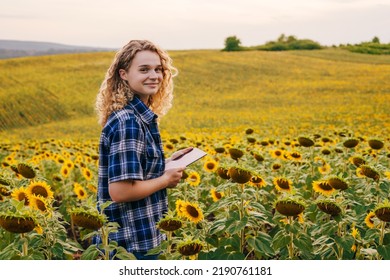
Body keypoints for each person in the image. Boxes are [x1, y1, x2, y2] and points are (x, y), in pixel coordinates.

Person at [94, 39, 191, 260]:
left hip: (139, 238)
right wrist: (165, 179)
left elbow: (133, 174)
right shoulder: (129, 121)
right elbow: (121, 191)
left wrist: (165, 165)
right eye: (144, 69)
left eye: (158, 69)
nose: (154, 75)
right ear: (124, 74)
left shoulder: (137, 117)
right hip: (131, 244)